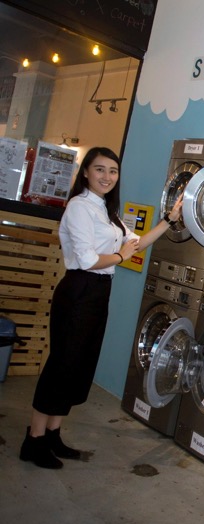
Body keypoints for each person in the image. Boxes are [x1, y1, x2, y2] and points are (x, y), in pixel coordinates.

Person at [19, 146, 183, 469]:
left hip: (98, 293)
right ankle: (34, 440)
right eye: (100, 169)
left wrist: (168, 219)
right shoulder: (79, 208)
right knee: (61, 365)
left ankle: (53, 434)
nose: (107, 177)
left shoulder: (107, 213)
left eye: (113, 171)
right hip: (78, 291)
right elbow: (88, 260)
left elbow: (134, 243)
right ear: (86, 173)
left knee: (78, 365)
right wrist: (122, 257)